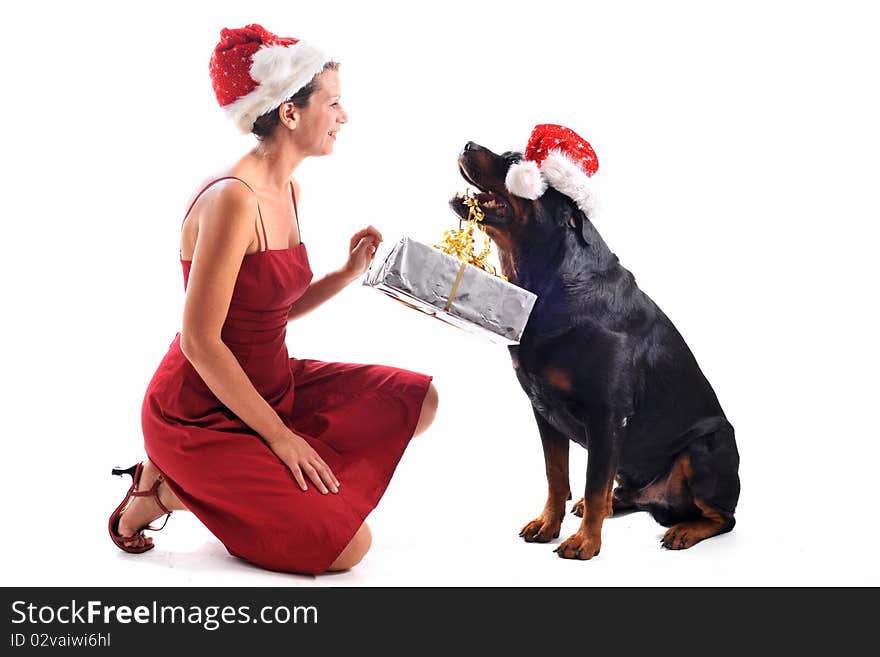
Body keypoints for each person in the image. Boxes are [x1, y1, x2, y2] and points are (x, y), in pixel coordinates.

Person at [108, 24, 439, 575]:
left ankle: (256, 480)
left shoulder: (288, 188)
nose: (344, 115)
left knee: (417, 402)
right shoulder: (233, 201)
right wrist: (282, 440)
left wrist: (344, 274)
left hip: (271, 384)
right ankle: (162, 491)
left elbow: (268, 308)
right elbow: (200, 342)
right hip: (200, 410)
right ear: (290, 113)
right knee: (348, 549)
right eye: (333, 103)